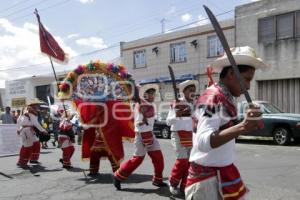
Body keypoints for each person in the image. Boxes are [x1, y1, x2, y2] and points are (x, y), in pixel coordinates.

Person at [185, 46, 267, 200]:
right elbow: (202, 142)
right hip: (207, 183)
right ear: (231, 73)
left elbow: (222, 129)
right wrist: (242, 126)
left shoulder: (223, 96)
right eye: (247, 79)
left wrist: (245, 125)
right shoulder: (214, 99)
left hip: (220, 174)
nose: (248, 86)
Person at [113, 84, 168, 190]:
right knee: (137, 160)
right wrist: (142, 122)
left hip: (150, 134)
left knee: (158, 158)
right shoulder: (140, 105)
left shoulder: (150, 105)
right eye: (150, 94)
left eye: (153, 94)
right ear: (145, 95)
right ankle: (118, 176)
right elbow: (137, 123)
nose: (152, 96)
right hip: (141, 135)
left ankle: (158, 180)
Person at [166, 80, 198, 196]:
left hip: (190, 136)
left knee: (189, 163)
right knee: (182, 160)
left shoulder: (196, 104)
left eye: (194, 90)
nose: (193, 93)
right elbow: (168, 122)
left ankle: (185, 186)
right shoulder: (176, 103)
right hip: (177, 134)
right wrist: (176, 115)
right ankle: (173, 183)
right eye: (190, 90)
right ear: (184, 91)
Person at [16, 99, 48, 168]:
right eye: (37, 104)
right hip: (26, 131)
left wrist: (18, 129)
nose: (38, 106)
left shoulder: (26, 111)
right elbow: (35, 123)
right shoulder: (31, 112)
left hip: (28, 130)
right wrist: (43, 130)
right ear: (33, 105)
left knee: (36, 143)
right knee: (27, 146)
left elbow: (18, 120)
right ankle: (22, 162)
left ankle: (33, 159)